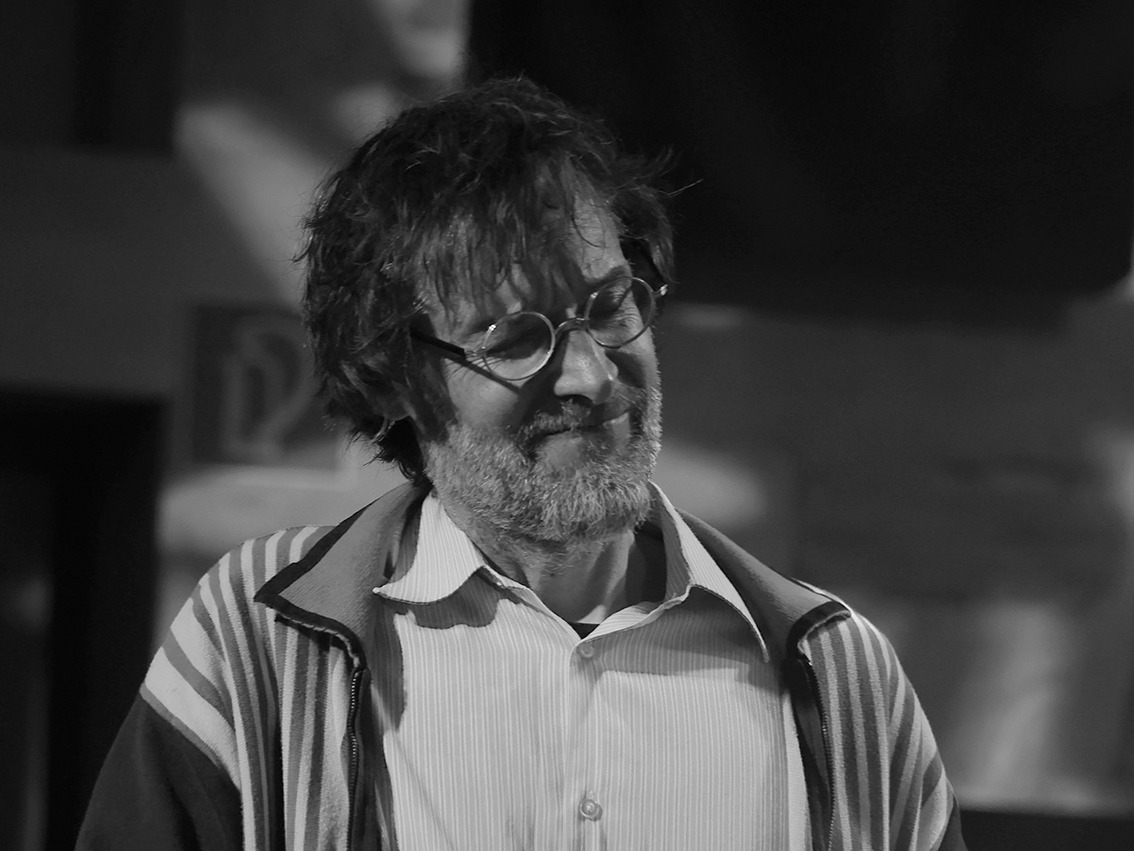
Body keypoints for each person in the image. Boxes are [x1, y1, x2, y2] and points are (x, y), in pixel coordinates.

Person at [78, 77, 966, 850]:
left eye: (610, 305)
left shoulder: (840, 678)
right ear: (393, 377)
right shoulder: (258, 642)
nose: (589, 374)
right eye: (513, 338)